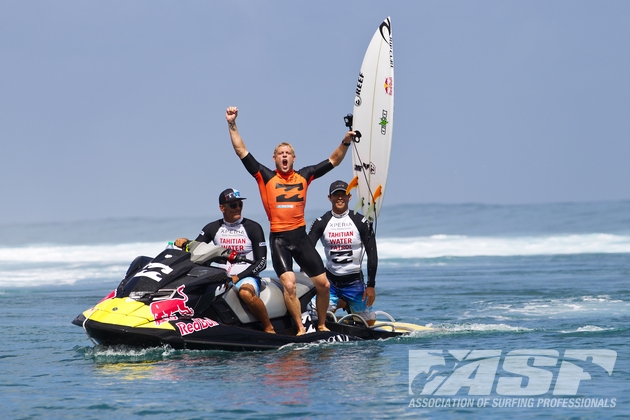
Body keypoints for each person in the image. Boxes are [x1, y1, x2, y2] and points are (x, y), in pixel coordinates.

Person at [226, 106, 354, 335]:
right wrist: (232, 123)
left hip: (300, 238)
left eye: (288, 153)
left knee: (324, 285)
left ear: (294, 158)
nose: (284, 156)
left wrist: (345, 142)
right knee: (289, 284)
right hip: (279, 240)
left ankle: (322, 324)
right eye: (280, 153)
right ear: (274, 158)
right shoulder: (264, 176)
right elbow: (241, 150)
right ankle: (299, 330)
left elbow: (334, 161)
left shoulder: (304, 175)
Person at [174, 188, 275, 334]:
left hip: (246, 276)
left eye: (240, 204)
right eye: (233, 205)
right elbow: (196, 250)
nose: (238, 208)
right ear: (222, 208)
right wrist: (185, 242)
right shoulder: (212, 228)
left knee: (245, 293)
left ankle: (268, 328)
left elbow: (262, 262)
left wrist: (238, 277)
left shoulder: (253, 228)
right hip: (219, 276)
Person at [308, 180, 377, 325]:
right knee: (315, 316)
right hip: (330, 282)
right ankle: (341, 303)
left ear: (349, 197)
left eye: (343, 194)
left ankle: (348, 304)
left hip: (354, 282)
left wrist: (371, 285)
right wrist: (308, 272)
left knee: (367, 324)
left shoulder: (360, 221)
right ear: (329, 198)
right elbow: (307, 249)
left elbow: (372, 253)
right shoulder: (321, 222)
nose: (340, 198)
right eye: (336, 195)